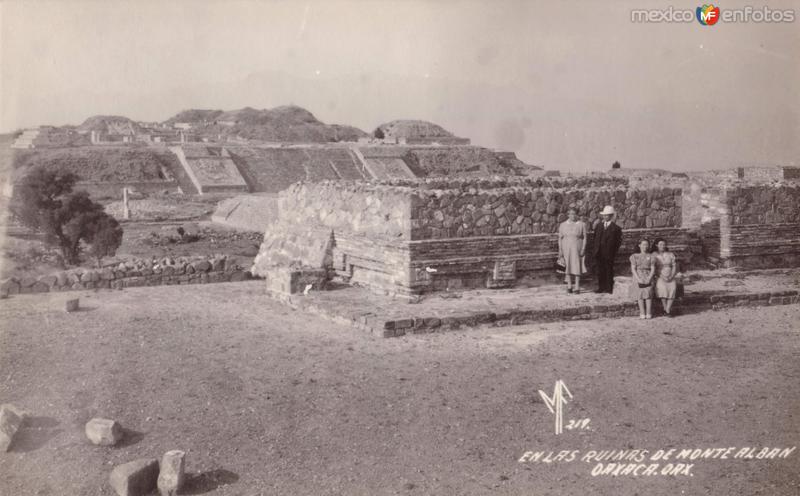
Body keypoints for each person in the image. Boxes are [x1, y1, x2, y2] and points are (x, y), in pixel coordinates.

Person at [592, 205, 622, 294]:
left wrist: (612, 252)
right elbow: (595, 238)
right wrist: (596, 249)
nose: (605, 217)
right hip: (599, 252)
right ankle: (601, 287)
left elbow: (618, 242)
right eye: (604, 215)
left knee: (609, 270)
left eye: (607, 215)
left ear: (611, 216)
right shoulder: (599, 226)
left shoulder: (616, 228)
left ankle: (609, 288)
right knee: (600, 270)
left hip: (609, 253)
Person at [558, 207, 587, 294]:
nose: (573, 216)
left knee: (577, 265)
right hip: (566, 247)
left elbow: (585, 237)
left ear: (577, 215)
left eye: (574, 214)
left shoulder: (581, 224)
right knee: (567, 266)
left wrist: (583, 248)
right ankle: (569, 286)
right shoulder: (563, 225)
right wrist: (560, 250)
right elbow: (560, 238)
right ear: (568, 215)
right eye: (571, 214)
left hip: (577, 247)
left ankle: (577, 286)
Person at [629, 238, 656, 319]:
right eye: (643, 244)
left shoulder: (651, 256)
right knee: (640, 294)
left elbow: (653, 268)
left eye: (647, 244)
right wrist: (638, 278)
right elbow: (633, 269)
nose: (645, 246)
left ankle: (648, 312)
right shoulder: (634, 256)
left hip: (648, 275)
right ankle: (642, 312)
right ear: (639, 245)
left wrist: (649, 278)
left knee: (648, 293)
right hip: (638, 275)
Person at [653, 238, 678, 317]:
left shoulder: (670, 254)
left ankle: (667, 309)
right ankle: (666, 309)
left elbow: (674, 266)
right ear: (656, 245)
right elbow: (654, 268)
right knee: (662, 290)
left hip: (670, 274)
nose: (662, 246)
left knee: (672, 289)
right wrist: (662, 276)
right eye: (660, 244)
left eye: (664, 244)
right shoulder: (654, 254)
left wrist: (671, 276)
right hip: (660, 275)